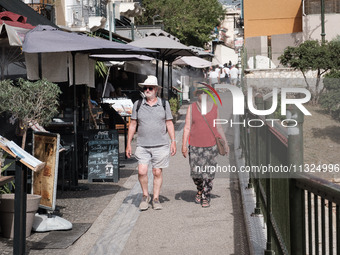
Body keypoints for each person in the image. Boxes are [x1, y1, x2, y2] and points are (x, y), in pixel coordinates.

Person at [126, 75, 176, 211]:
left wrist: (173, 141)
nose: (147, 90)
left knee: (157, 172)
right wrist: (128, 143)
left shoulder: (164, 104)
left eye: (150, 88)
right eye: (145, 88)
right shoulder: (138, 104)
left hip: (161, 145)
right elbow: (133, 125)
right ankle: (144, 196)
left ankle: (155, 198)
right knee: (142, 171)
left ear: (156, 90)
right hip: (143, 144)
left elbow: (169, 123)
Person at [181, 88, 229, 208]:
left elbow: (218, 127)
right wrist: (183, 145)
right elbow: (187, 127)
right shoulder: (191, 108)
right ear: (197, 95)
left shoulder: (214, 107)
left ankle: (206, 195)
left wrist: (226, 143)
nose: (203, 94)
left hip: (211, 146)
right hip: (195, 146)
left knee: (208, 173)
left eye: (205, 93)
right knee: (196, 173)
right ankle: (200, 189)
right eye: (200, 93)